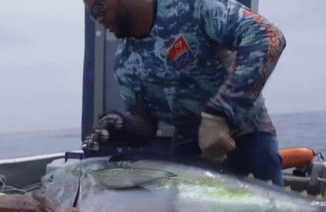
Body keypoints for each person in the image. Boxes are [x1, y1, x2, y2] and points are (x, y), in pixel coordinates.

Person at [81, 0, 286, 186]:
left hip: (247, 136)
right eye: (92, 15)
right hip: (191, 152)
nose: (98, 20)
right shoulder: (124, 62)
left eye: (99, 8)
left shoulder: (194, 6)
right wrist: (120, 127)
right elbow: (146, 124)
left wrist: (219, 115)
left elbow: (267, 35)